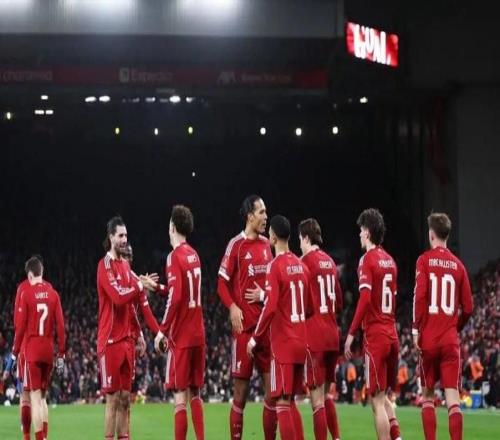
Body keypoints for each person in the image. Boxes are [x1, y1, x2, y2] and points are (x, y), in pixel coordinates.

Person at [142, 205, 205, 440]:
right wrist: (157, 287)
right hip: (198, 334)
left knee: (179, 396)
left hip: (182, 336)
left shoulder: (173, 256)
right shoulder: (194, 255)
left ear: (172, 227)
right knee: (195, 393)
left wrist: (162, 331)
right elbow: (179, 291)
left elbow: (176, 297)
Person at [217, 195, 276, 439]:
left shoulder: (267, 245)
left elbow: (274, 285)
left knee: (272, 394)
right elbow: (221, 283)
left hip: (266, 330)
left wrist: (265, 295)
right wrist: (232, 306)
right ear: (250, 216)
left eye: (266, 212)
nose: (265, 217)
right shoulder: (236, 245)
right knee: (240, 396)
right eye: (261, 212)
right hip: (244, 331)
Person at [247, 215, 309, 440]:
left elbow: (270, 307)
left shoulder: (274, 266)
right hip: (301, 342)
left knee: (281, 402)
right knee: (290, 401)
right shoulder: (302, 266)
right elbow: (310, 307)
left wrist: (254, 338)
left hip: (284, 344)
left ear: (272, 237)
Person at [412, 213, 473, 440]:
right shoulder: (459, 266)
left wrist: (416, 329)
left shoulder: (424, 260)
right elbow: (468, 307)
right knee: (453, 400)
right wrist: (455, 328)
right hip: (449, 340)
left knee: (428, 397)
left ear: (431, 234)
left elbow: (420, 297)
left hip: (428, 339)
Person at [344, 208, 402, 440]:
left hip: (376, 336)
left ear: (367, 232)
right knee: (383, 396)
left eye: (361, 230)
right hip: (392, 333)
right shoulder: (391, 261)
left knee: (376, 401)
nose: (359, 234)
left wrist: (351, 333)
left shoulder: (367, 260)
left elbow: (366, 299)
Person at [97, 216, 145, 440]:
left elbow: (130, 305)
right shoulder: (104, 265)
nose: (124, 239)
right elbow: (118, 297)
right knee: (113, 399)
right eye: (120, 235)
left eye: (126, 235)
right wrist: (139, 286)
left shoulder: (125, 265)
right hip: (110, 341)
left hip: (127, 341)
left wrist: (140, 333)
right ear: (111, 237)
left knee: (126, 399)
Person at [8, 256, 65, 440]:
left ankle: (28, 437)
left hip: (29, 348)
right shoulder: (52, 291)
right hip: (48, 350)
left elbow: (18, 324)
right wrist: (61, 354)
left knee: (29, 396)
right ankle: (45, 437)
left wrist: (14, 354)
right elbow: (61, 327)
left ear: (30, 274)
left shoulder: (24, 291)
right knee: (42, 398)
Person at [299, 218, 343, 440]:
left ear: (306, 238)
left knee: (316, 401)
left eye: (300, 240)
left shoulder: (304, 262)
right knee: (326, 397)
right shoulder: (330, 262)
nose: (299, 245)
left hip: (314, 337)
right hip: (332, 336)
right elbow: (340, 303)